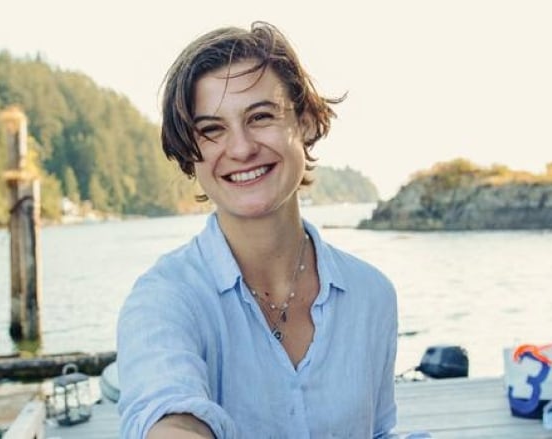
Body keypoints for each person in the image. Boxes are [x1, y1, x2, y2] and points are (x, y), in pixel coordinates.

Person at [116, 21, 399, 438]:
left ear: (303, 122)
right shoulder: (163, 299)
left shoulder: (372, 295)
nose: (242, 148)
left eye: (260, 117)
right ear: (190, 155)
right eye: (212, 130)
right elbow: (166, 413)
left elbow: (378, 431)